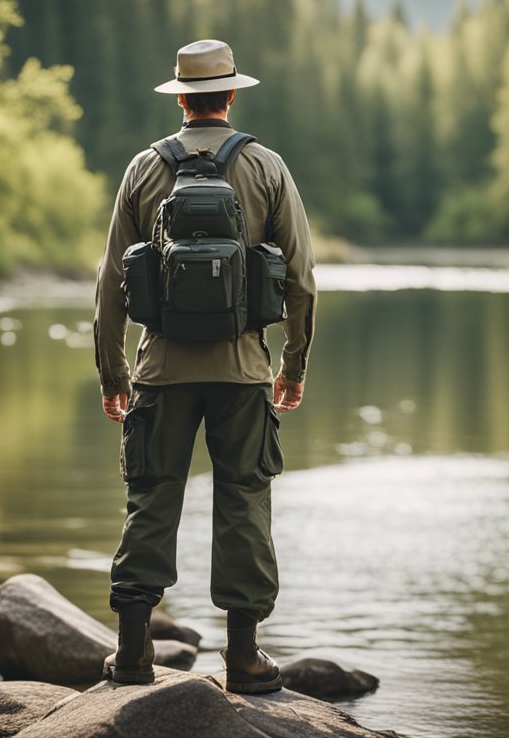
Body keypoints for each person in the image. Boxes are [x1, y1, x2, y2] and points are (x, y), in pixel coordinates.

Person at [93, 39, 316, 693]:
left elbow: (110, 283)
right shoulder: (266, 166)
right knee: (244, 501)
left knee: (150, 500)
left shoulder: (142, 168)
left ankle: (133, 656)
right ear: (232, 95)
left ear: (182, 98)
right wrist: (294, 367)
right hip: (244, 373)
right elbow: (301, 277)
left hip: (159, 372)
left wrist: (113, 377)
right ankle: (243, 659)